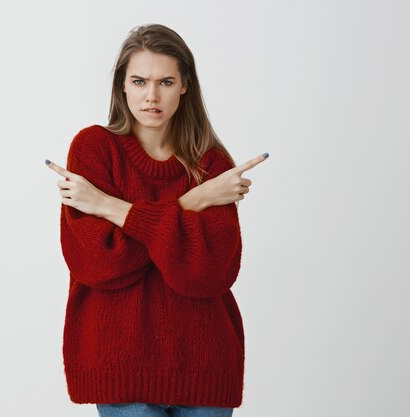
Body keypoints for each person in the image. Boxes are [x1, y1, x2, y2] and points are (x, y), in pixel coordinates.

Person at [45, 23, 268, 417]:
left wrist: (109, 207)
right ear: (122, 85)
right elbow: (99, 264)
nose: (151, 96)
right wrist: (192, 202)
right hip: (120, 368)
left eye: (165, 81)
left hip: (204, 366)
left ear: (185, 85)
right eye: (139, 80)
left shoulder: (212, 164)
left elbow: (208, 274)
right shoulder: (94, 149)